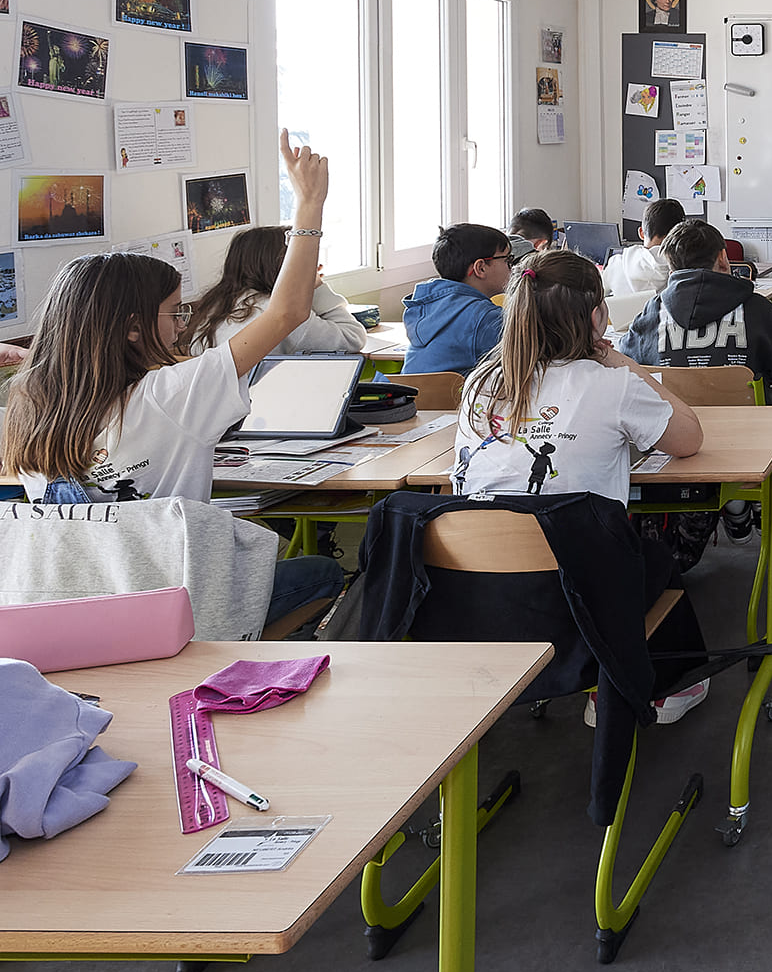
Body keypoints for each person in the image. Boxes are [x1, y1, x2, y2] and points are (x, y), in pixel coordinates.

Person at [0, 131, 348, 627]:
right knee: (321, 574)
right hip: (174, 604)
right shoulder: (172, 394)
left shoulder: (29, 401)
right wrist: (309, 205)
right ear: (134, 329)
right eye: (173, 311)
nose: (181, 323)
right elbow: (288, 311)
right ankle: (227, 654)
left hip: (70, 606)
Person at [455, 248, 712, 722]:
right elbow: (688, 437)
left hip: (478, 592)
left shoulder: (480, 386)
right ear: (597, 317)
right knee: (654, 559)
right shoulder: (612, 385)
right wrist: (615, 358)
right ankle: (647, 686)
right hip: (580, 589)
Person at [618, 217, 772, 542]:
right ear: (724, 259)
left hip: (674, 438)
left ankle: (736, 509)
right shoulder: (755, 309)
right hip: (749, 440)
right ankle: (755, 496)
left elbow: (629, 371)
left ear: (671, 264)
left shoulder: (652, 313)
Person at [182, 225, 368, 357]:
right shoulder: (282, 314)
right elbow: (352, 337)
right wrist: (314, 286)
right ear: (284, 266)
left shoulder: (216, 305)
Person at [402, 224, 510, 375]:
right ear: (481, 268)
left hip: (413, 398)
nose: (512, 267)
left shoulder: (425, 308)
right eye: (507, 259)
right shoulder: (486, 317)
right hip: (459, 398)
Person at [602, 198, 684, 298]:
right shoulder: (684, 270)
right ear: (680, 235)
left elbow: (598, 295)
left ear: (641, 233)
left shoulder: (616, 264)